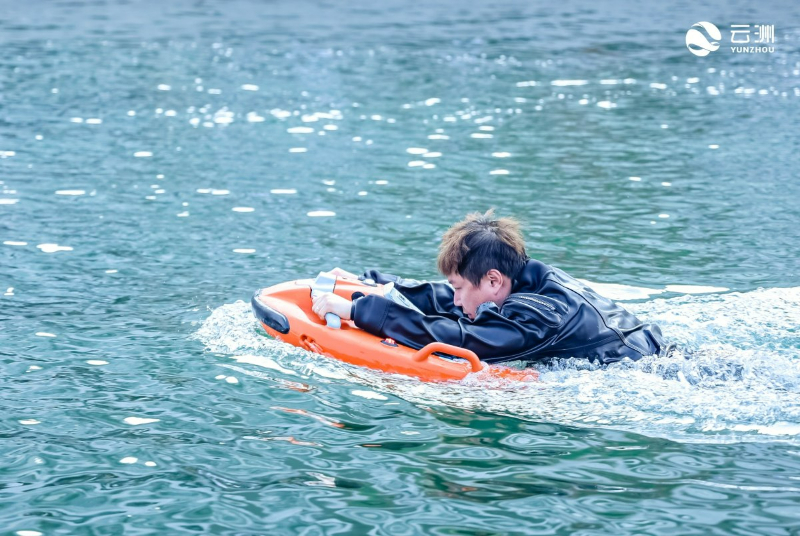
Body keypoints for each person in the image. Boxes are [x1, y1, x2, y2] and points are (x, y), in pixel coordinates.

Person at [311, 209, 665, 365]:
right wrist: (374, 283)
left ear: (493, 280)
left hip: (644, 371)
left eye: (459, 287)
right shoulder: (521, 278)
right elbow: (448, 298)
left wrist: (360, 311)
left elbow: (466, 339)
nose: (456, 298)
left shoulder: (539, 315)